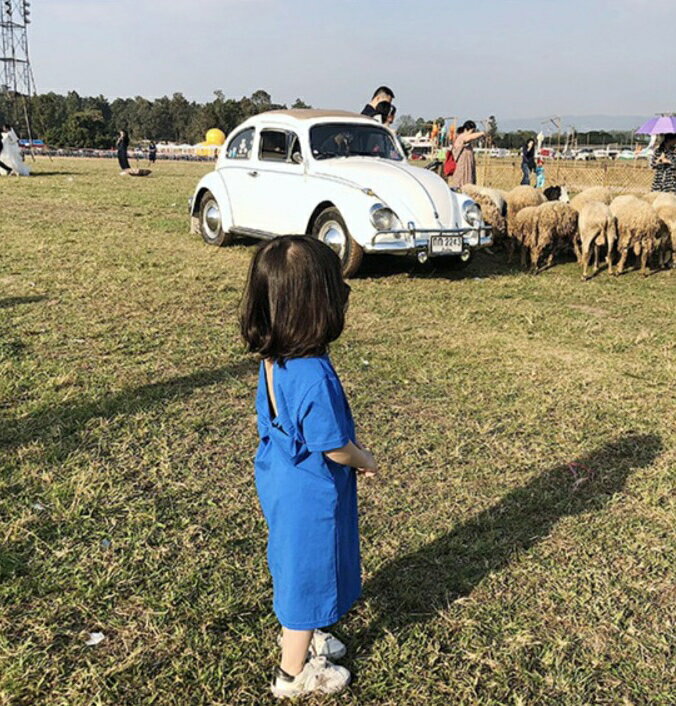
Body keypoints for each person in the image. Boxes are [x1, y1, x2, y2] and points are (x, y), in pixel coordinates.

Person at [240, 236, 378, 699]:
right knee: (309, 574)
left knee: (294, 559)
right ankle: (293, 672)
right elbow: (335, 446)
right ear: (318, 305)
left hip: (280, 475)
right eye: (337, 286)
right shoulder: (315, 372)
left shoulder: (273, 358)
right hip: (311, 491)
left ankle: (314, 633)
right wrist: (365, 460)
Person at [448, 120, 485, 188]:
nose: (473, 134)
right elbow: (467, 138)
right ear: (465, 130)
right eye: (471, 131)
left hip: (468, 169)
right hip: (462, 169)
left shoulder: (468, 141)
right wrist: (482, 133)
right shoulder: (461, 137)